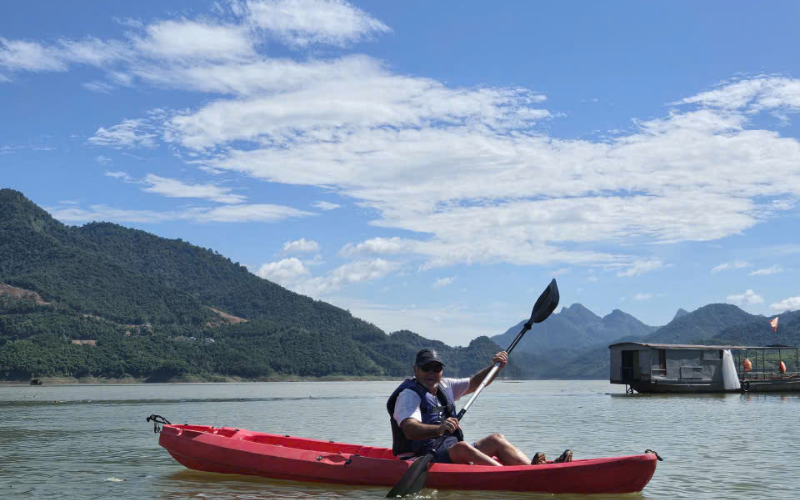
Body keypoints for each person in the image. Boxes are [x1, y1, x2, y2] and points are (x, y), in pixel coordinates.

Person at [387, 348, 572, 466]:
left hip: (449, 453)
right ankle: (511, 477)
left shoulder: (446, 386)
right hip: (419, 459)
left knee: (496, 439)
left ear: (441, 371)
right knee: (463, 448)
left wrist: (495, 367)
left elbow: (476, 383)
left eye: (436, 369)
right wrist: (440, 428)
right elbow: (410, 430)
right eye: (426, 368)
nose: (432, 373)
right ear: (415, 370)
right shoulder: (408, 395)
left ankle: (534, 469)